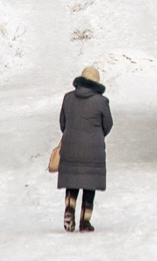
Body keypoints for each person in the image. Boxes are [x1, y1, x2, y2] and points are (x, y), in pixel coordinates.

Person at [58, 66, 113, 232]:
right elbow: (108, 124)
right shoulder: (101, 102)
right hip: (93, 149)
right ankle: (85, 221)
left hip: (70, 146)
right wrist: (97, 135)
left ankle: (70, 208)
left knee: (72, 181)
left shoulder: (68, 98)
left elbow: (62, 122)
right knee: (90, 184)